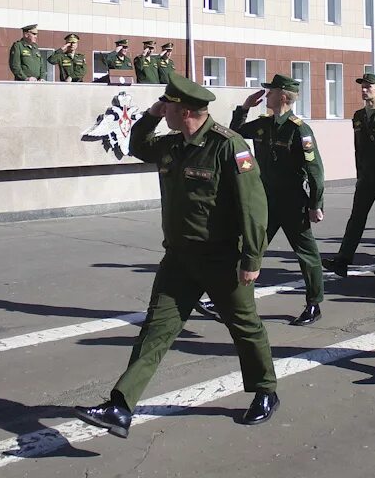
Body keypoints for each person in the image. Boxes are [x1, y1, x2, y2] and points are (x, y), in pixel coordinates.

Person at [70, 73, 278, 437]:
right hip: (179, 259)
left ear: (183, 111)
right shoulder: (172, 144)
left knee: (244, 327)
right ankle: (120, 406)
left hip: (221, 260)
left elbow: (254, 208)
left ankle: (265, 390)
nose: (163, 111)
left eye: (167, 106)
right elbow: (137, 144)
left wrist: (252, 259)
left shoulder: (228, 145)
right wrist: (150, 114)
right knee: (155, 330)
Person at [228, 74, 326, 325]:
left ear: (282, 96)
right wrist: (244, 108)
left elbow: (315, 170)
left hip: (293, 201)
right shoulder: (264, 123)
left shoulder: (299, 129)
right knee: (249, 247)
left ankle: (314, 304)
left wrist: (316, 204)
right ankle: (229, 299)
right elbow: (234, 133)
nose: (266, 95)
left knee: (306, 254)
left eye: (270, 92)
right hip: (265, 200)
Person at [322, 73, 375, 277]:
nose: (364, 90)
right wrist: (359, 173)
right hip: (367, 178)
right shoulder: (358, 116)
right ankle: (342, 261)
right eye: (362, 87)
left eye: (368, 87)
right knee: (356, 219)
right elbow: (358, 148)